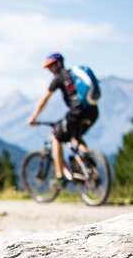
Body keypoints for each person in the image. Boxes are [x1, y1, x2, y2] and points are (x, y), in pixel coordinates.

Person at [27, 52, 99, 188]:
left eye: (51, 66)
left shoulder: (59, 77)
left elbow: (43, 100)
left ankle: (60, 177)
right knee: (75, 137)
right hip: (93, 111)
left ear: (58, 63)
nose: (49, 70)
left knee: (56, 136)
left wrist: (33, 118)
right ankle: (91, 168)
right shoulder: (73, 75)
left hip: (77, 113)